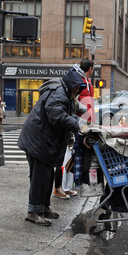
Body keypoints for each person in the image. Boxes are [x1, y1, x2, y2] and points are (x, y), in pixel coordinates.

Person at [17, 70, 88, 226]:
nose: (76, 92)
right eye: (76, 89)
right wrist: (78, 125)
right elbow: (56, 116)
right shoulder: (59, 94)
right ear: (70, 85)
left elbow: (66, 114)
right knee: (39, 177)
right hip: (38, 141)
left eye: (78, 90)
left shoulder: (66, 94)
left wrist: (82, 123)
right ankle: (34, 212)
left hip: (44, 141)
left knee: (47, 176)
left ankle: (43, 207)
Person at [53, 60, 95, 198]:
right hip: (71, 127)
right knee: (65, 157)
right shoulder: (75, 82)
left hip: (75, 125)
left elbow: (79, 106)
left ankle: (65, 186)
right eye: (76, 90)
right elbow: (67, 112)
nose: (77, 91)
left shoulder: (83, 83)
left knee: (71, 156)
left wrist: (88, 121)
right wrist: (82, 123)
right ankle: (60, 187)